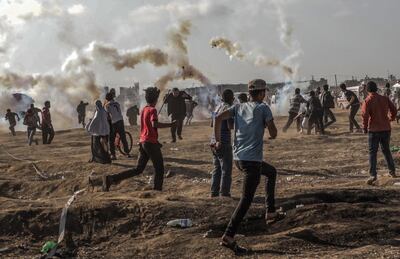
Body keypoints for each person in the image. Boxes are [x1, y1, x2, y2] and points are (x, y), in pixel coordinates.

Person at [214, 79, 282, 254]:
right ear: (261, 93)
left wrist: (218, 141)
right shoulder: (263, 108)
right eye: (264, 92)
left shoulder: (238, 107)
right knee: (246, 199)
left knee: (271, 172)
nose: (265, 95)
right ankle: (228, 236)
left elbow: (218, 118)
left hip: (239, 159)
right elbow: (274, 132)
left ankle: (271, 212)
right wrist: (269, 133)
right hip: (251, 161)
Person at [102, 87, 176, 191]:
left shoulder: (145, 109)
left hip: (143, 142)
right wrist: (171, 125)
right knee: (159, 168)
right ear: (155, 99)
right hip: (150, 143)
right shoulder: (153, 110)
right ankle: (157, 190)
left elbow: (148, 127)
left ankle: (111, 179)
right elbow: (154, 124)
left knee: (138, 169)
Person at [361, 81, 397, 185]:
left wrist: (364, 128)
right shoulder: (384, 99)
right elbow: (394, 110)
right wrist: (391, 118)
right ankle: (392, 171)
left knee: (373, 153)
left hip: (374, 130)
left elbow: (365, 116)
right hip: (386, 128)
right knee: (386, 151)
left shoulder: (367, 100)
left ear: (367, 90)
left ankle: (373, 175)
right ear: (376, 89)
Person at [210, 89, 234, 198]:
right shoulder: (228, 108)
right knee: (226, 169)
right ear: (232, 99)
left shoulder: (217, 107)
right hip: (223, 142)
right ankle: (224, 193)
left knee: (217, 169)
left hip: (214, 141)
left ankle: (214, 192)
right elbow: (230, 126)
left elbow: (212, 124)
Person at [104, 93, 131, 159]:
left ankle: (113, 155)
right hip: (120, 121)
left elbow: (108, 116)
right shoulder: (117, 103)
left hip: (114, 122)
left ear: (107, 99)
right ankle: (127, 153)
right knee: (123, 137)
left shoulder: (107, 105)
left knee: (111, 139)